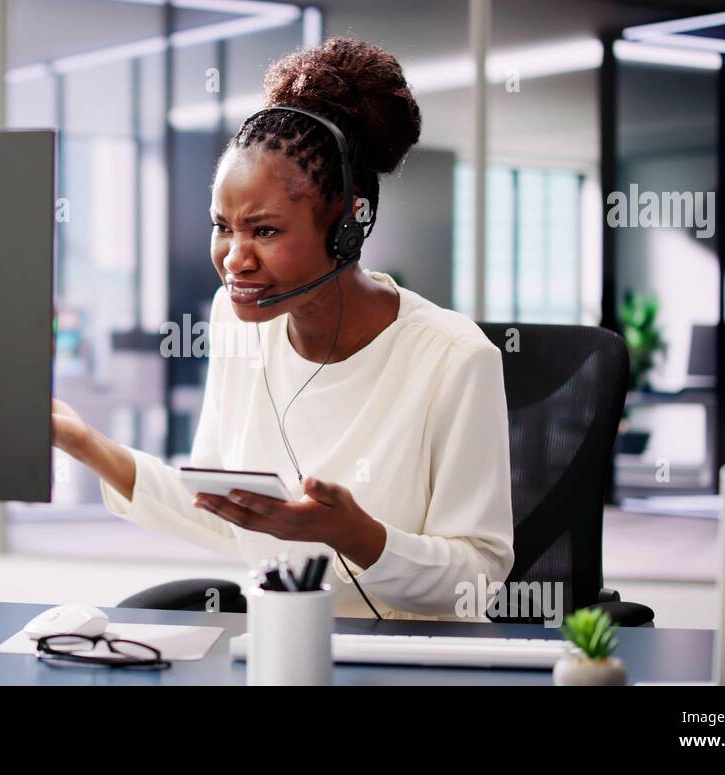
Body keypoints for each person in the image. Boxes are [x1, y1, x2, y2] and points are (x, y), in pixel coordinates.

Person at [52, 37, 513, 620]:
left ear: (347, 228)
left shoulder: (453, 358)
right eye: (223, 227)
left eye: (264, 231)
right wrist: (86, 445)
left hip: (415, 660)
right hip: (284, 641)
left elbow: (479, 579)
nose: (234, 258)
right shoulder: (237, 321)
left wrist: (357, 535)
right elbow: (227, 507)